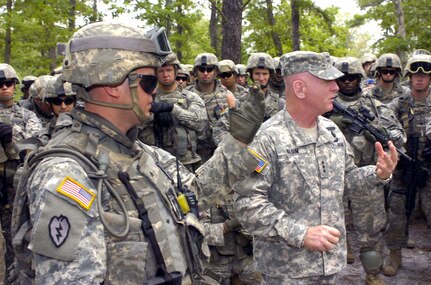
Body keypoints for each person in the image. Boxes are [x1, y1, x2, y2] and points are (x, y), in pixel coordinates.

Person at [10, 21, 266, 285]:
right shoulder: (68, 172)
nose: (155, 89)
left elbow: (197, 193)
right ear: (112, 82)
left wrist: (237, 140)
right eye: (149, 81)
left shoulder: (138, 153)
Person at [233, 51, 398, 284]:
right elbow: (246, 204)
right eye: (327, 81)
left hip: (329, 264)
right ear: (300, 89)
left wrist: (377, 174)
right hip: (287, 270)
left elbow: (347, 177)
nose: (335, 88)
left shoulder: (331, 132)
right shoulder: (266, 139)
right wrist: (301, 234)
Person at [330, 57, 405, 285]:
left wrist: (381, 132)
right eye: (343, 78)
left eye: (353, 77)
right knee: (329, 229)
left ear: (360, 79)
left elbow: (398, 136)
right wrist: (330, 122)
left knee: (370, 232)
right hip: (332, 178)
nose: (348, 82)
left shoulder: (374, 105)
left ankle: (372, 275)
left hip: (367, 177)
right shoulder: (324, 104)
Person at [383, 54, 431, 277]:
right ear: (409, 77)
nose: (420, 79)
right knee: (397, 214)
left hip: (429, 171)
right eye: (416, 75)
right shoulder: (399, 104)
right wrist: (399, 149)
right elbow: (385, 125)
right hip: (405, 169)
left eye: (425, 75)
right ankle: (394, 254)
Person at [0, 63, 42, 284]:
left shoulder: (26, 116)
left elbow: (32, 147)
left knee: (15, 238)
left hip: (14, 187)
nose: (4, 88)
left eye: (8, 83)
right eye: (0, 84)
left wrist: (11, 135)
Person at [138, 53, 207, 172]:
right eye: (161, 71)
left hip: (186, 163)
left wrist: (172, 109)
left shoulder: (190, 97)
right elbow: (134, 125)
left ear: (176, 71)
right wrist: (153, 116)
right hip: (153, 163)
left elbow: (200, 123)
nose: (165, 75)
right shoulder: (146, 98)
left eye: (169, 70)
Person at [186, 53, 235, 163]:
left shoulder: (227, 95)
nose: (205, 73)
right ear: (196, 71)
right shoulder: (186, 96)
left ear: (216, 72)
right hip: (195, 155)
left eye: (209, 69)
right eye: (202, 69)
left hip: (221, 153)